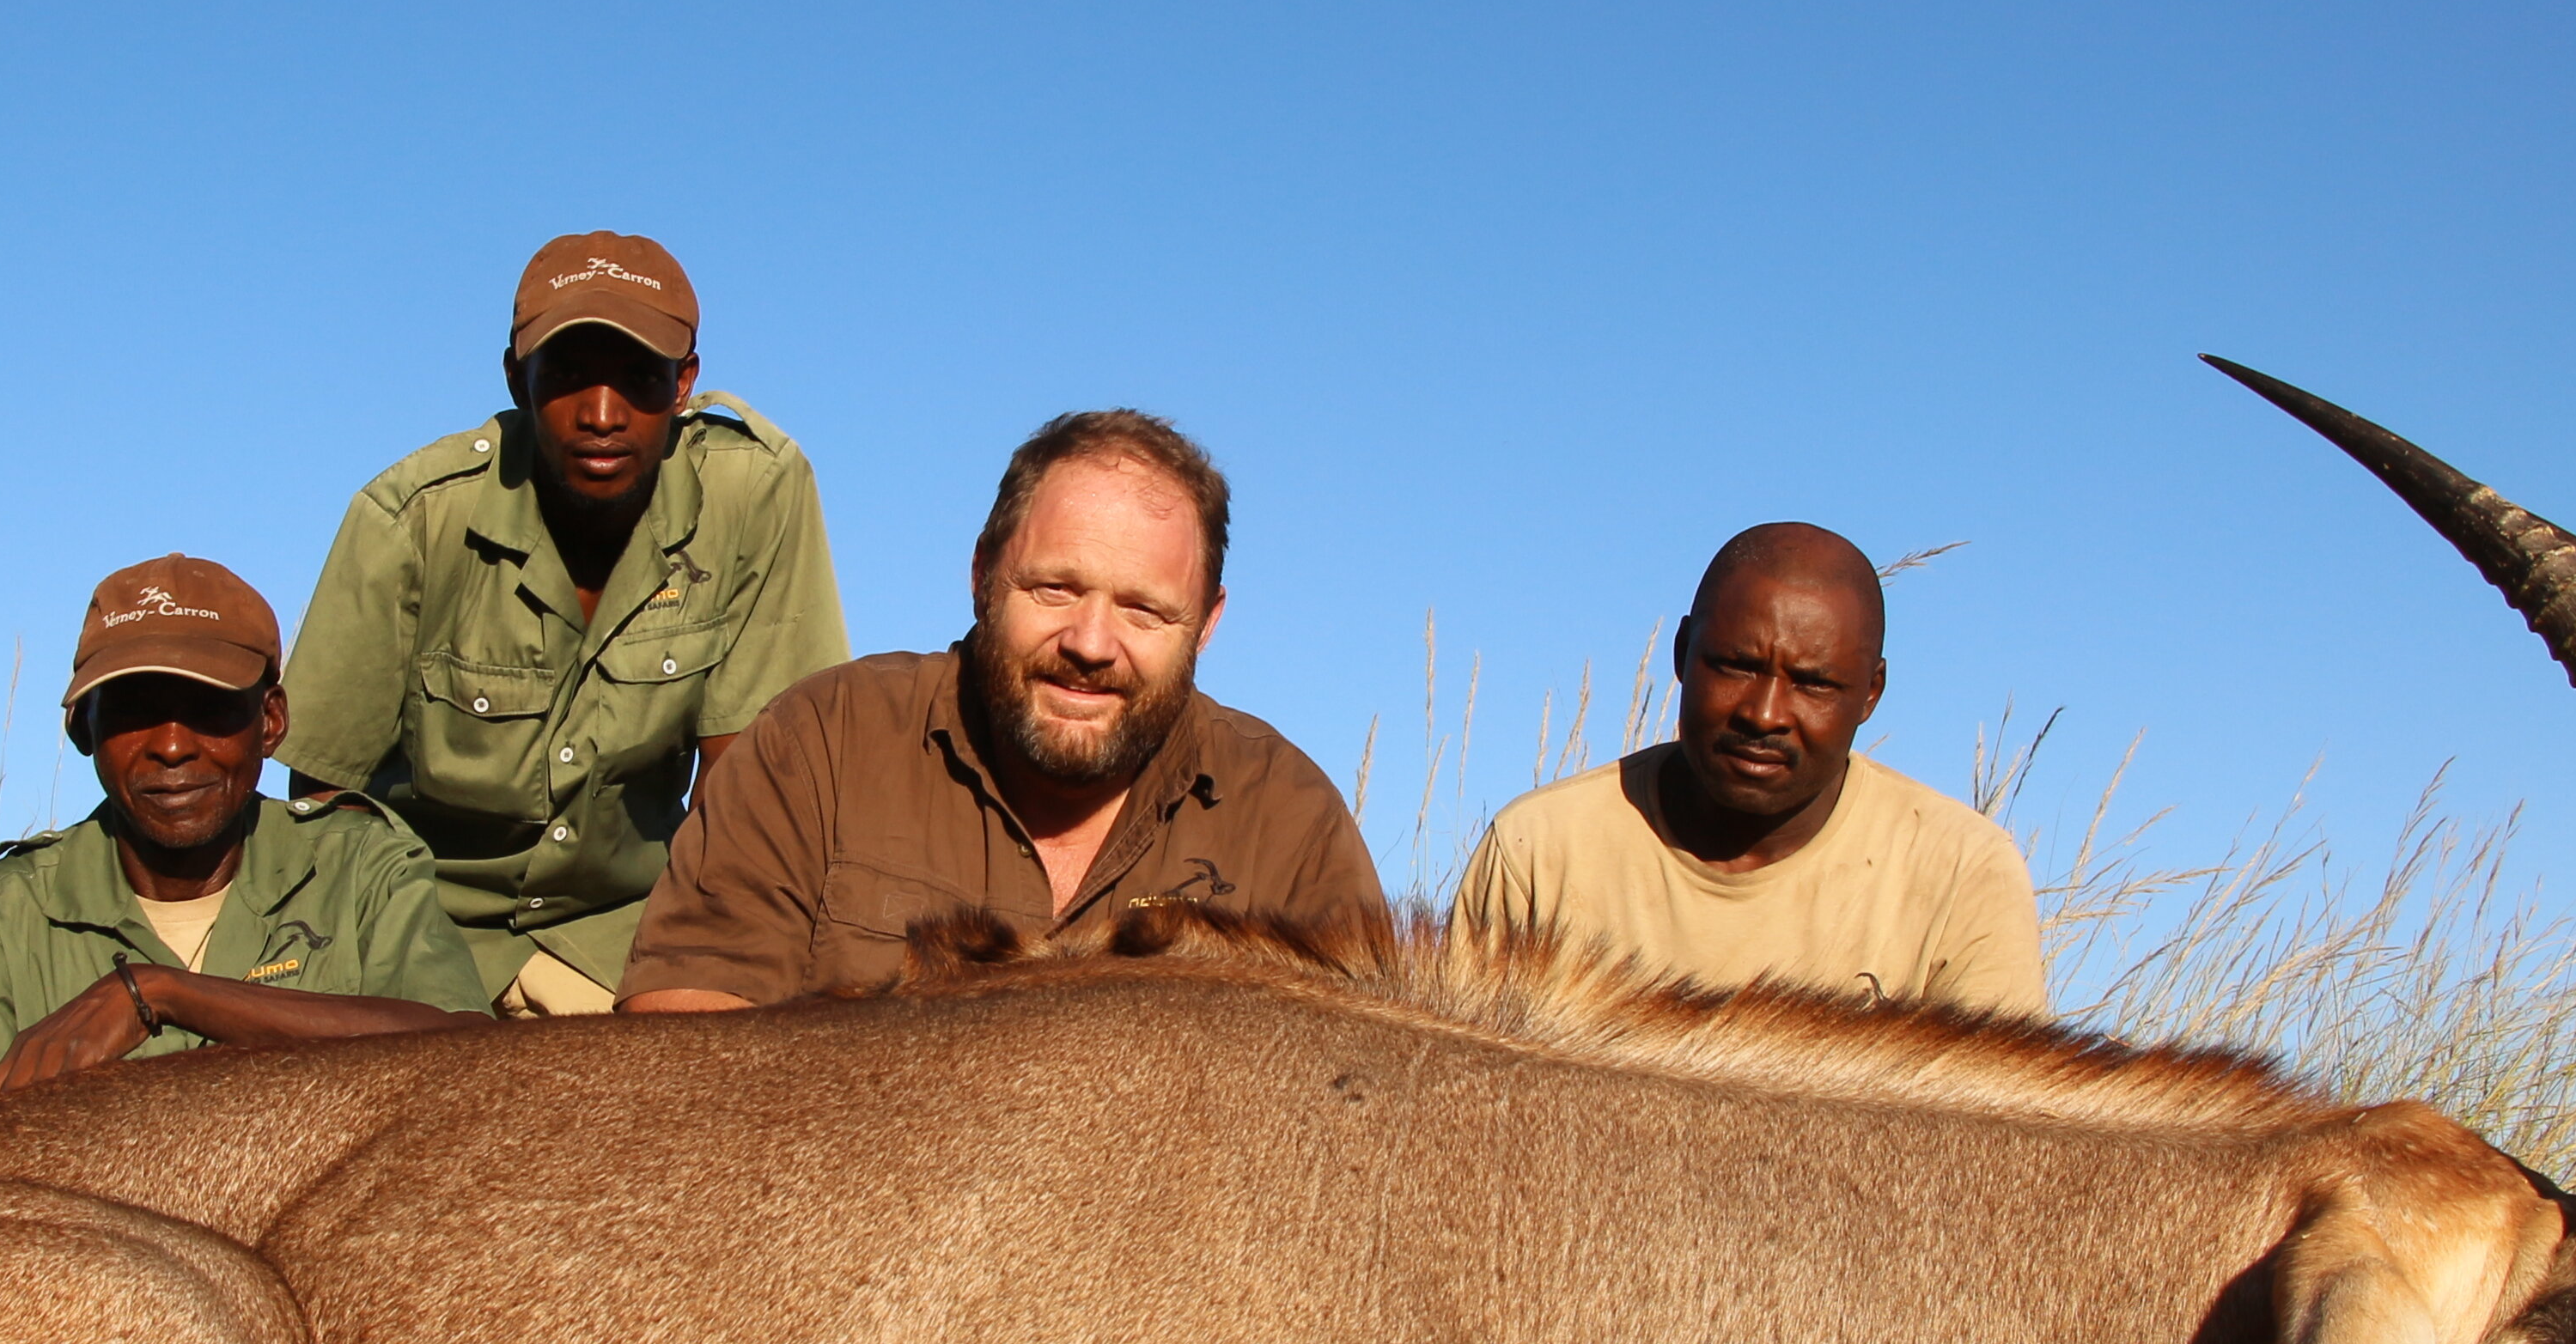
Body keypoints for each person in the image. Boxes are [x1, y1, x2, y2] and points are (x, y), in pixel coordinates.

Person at [619, 409, 1385, 1009]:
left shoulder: (1290, 825)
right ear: (984, 573)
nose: (1090, 642)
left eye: (1144, 611)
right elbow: (684, 1016)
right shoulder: (824, 739)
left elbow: (1371, 1097)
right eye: (1053, 589)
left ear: (1207, 624)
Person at [281, 234, 849, 1017]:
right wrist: (403, 981)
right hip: (428, 931)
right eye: (568, 376)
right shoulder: (408, 518)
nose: (603, 416)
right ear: (517, 379)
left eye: (639, 379)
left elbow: (744, 787)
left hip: (626, 930)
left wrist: (695, 978)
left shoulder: (757, 491)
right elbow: (324, 803)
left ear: (684, 383)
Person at [0, 555, 486, 1111]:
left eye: (209, 709)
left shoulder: (359, 862)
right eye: (133, 712)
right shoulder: (0, 912)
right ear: (83, 729)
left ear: (270, 723)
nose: (171, 746)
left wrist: (158, 993)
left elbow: (460, 1049)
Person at [1452, 523, 2047, 1016]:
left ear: (1870, 694)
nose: (1764, 715)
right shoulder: (1541, 851)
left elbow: (1997, 1137)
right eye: (1736, 666)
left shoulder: (1963, 876)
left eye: (1813, 683)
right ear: (1683, 654)